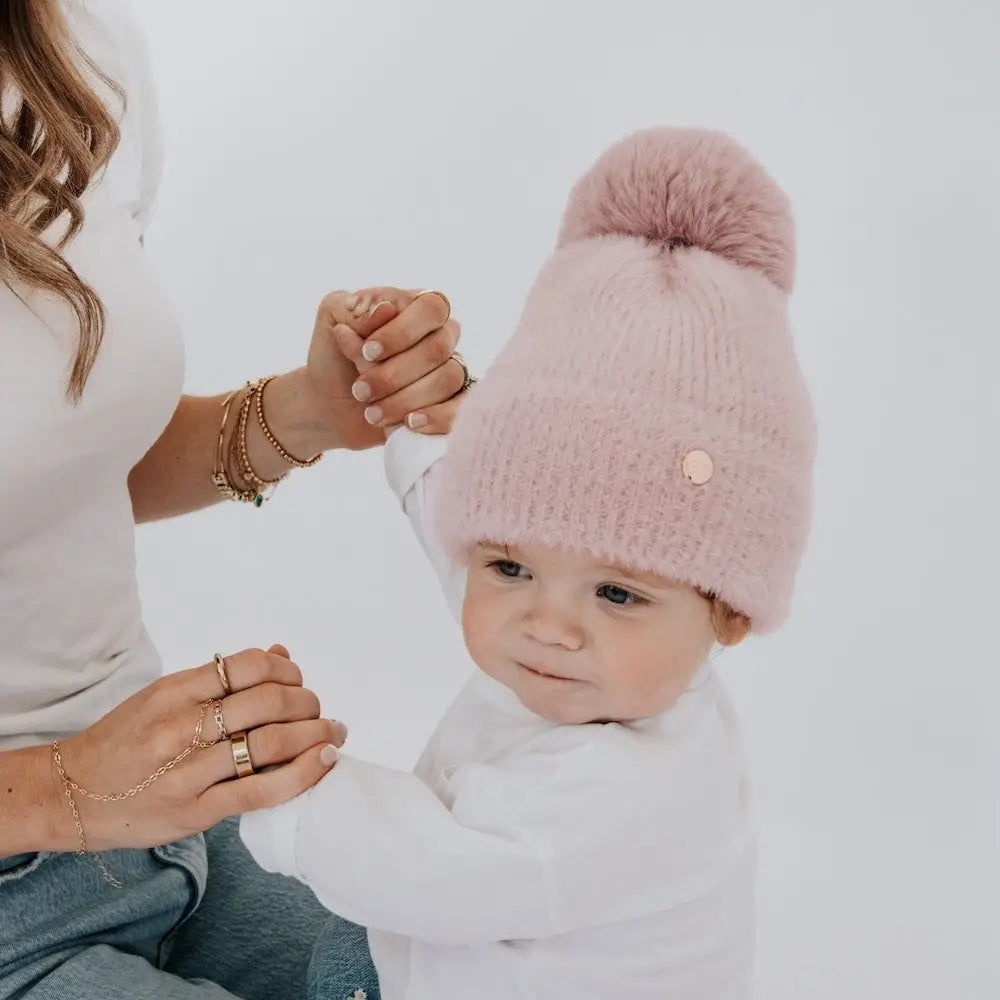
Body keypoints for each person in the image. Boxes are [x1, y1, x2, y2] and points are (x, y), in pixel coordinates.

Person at [240, 127, 818, 999]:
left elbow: (435, 870)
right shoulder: (599, 656)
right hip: (409, 958)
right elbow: (461, 527)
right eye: (510, 568)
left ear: (731, 610)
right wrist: (418, 419)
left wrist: (283, 786)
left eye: (617, 592)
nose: (546, 623)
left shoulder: (628, 793)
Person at [0, 1, 470, 997]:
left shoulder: (77, 48)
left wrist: (303, 412)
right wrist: (62, 789)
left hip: (171, 824)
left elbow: (52, 471)